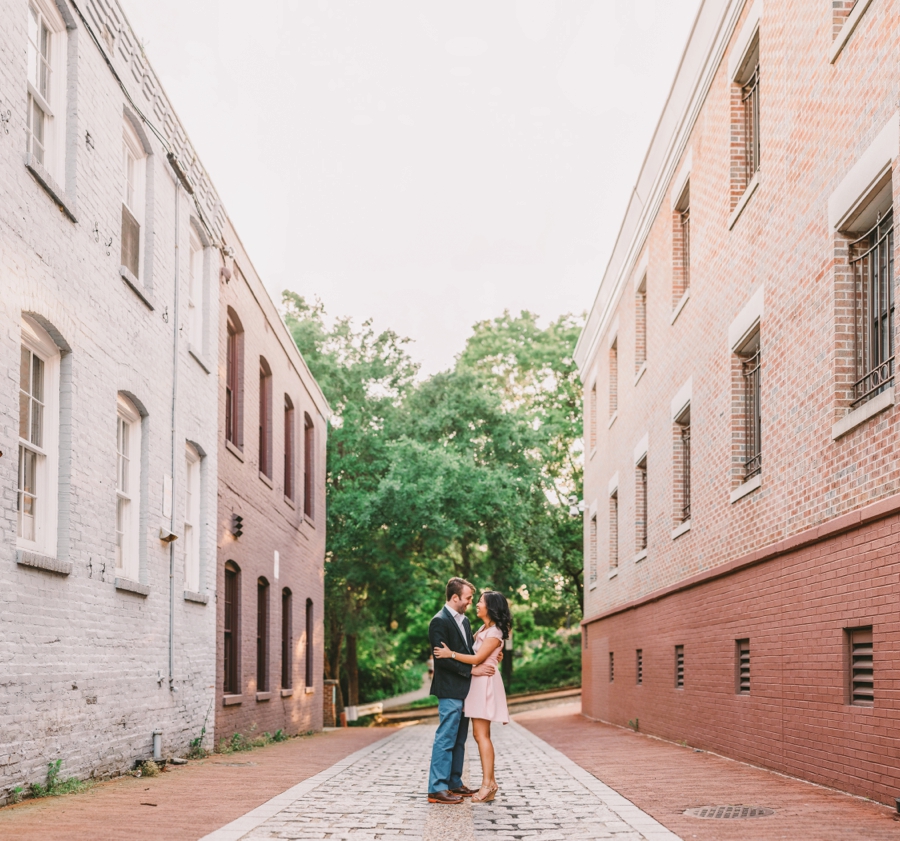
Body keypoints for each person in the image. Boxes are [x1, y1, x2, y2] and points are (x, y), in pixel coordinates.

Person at [434, 590, 511, 803]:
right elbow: (480, 653)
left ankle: (488, 784)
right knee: (479, 735)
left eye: (480, 602)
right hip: (477, 681)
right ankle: (490, 783)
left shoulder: (494, 632)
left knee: (481, 735)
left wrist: (450, 654)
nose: (476, 604)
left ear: (491, 607)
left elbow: (477, 657)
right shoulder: (483, 629)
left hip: (484, 682)